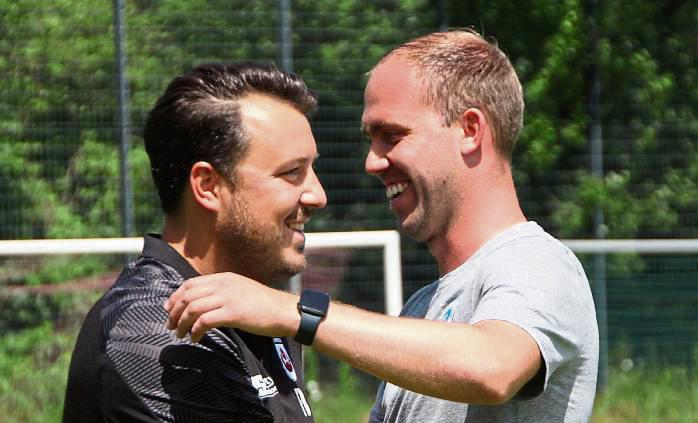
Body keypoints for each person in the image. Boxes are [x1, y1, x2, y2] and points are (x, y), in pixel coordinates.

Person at [165, 30, 599, 422]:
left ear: (470, 130)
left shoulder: (536, 262)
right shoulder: (421, 309)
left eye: (392, 135)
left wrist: (292, 312)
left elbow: (493, 368)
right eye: (370, 139)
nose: (372, 161)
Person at [63, 62, 326, 422]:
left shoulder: (256, 310)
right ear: (207, 186)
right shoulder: (161, 329)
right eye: (291, 173)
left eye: (312, 169)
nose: (318, 195)